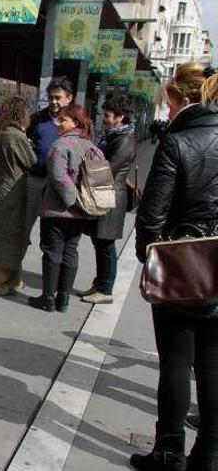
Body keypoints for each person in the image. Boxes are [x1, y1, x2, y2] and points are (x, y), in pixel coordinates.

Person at [130, 63, 218, 471]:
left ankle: (169, 451)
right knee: (214, 362)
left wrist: (153, 264)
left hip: (184, 269)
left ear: (181, 99)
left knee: (178, 362)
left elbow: (150, 220)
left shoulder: (178, 142)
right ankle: (210, 453)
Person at [28, 104, 99, 313]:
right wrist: (82, 204)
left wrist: (72, 200)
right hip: (81, 212)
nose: (59, 124)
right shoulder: (91, 146)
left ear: (76, 122)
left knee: (52, 251)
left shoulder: (60, 145)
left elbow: (58, 177)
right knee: (70, 251)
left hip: (58, 210)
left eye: (64, 120)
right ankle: (64, 299)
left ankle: (48, 298)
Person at [78, 93, 136, 305]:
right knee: (99, 242)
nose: (104, 117)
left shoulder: (124, 140)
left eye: (108, 115)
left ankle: (105, 288)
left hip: (111, 197)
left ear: (121, 117)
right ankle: (100, 282)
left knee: (106, 244)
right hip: (104, 193)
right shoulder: (112, 136)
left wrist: (85, 167)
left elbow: (108, 168)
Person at [0, 97, 37, 295]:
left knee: (1, 234)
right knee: (12, 236)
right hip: (14, 191)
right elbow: (32, 162)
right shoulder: (16, 136)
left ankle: (14, 280)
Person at [24, 76, 76, 245]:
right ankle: (13, 267)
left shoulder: (77, 121)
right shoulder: (37, 119)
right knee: (24, 226)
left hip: (61, 185)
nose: (53, 102)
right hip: (36, 180)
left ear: (69, 98)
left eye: (58, 98)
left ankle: (51, 269)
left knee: (54, 234)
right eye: (51, 97)